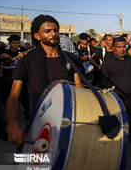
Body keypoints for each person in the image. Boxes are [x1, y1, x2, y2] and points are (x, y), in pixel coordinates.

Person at [6, 15, 82, 145]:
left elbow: (79, 89)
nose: (54, 34)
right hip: (42, 122)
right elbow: (13, 96)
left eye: (56, 30)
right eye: (48, 31)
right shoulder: (27, 60)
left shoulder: (70, 58)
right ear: (37, 36)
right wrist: (12, 124)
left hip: (72, 120)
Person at [101, 37, 131, 149]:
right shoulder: (107, 63)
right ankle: (116, 146)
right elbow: (102, 82)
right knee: (117, 124)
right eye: (118, 47)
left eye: (123, 46)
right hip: (115, 99)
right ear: (113, 48)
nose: (121, 49)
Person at [0, 34, 30, 119]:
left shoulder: (24, 51)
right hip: (8, 79)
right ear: (9, 43)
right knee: (8, 97)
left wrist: (24, 58)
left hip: (21, 78)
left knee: (24, 96)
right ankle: (10, 116)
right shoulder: (4, 52)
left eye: (17, 43)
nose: (15, 45)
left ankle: (27, 113)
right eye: (13, 43)